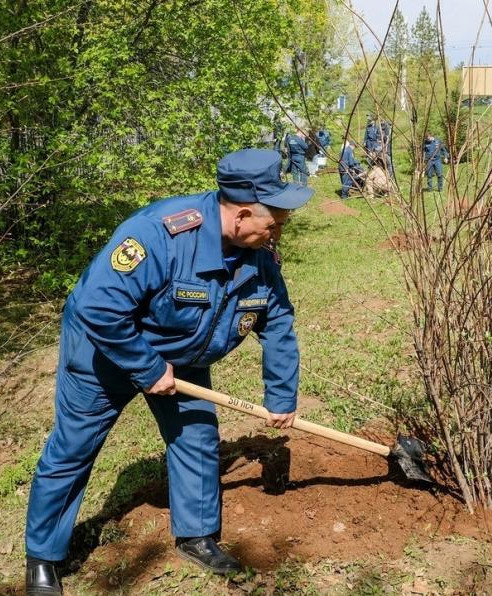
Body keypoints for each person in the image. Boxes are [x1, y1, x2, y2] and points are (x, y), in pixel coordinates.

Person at [24, 148, 311, 594]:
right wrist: (146, 366)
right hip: (104, 349)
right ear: (241, 215)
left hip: (183, 355)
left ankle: (196, 537)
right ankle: (43, 558)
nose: (281, 230)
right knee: (72, 449)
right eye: (274, 222)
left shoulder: (259, 258)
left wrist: (281, 395)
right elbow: (98, 307)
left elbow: (278, 323)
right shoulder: (159, 234)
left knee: (196, 437)